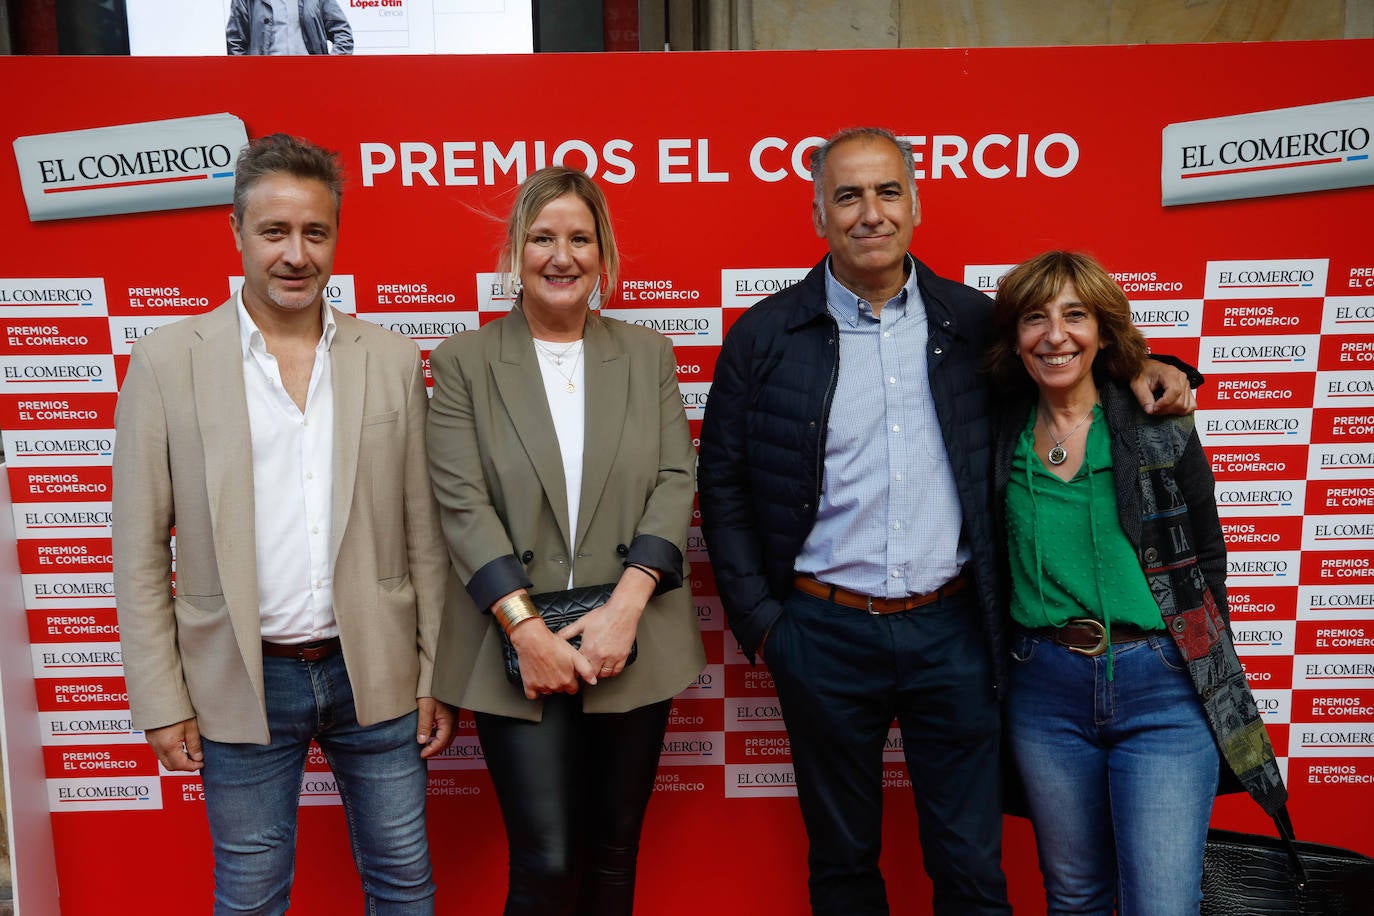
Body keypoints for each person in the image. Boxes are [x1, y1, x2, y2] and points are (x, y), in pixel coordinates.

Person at [696, 126, 1196, 916]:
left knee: (969, 867)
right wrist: (765, 626)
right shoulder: (764, 336)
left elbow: (1066, 365)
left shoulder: (972, 324)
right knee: (844, 862)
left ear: (916, 204)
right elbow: (719, 485)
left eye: (888, 191)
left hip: (953, 632)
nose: (870, 212)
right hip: (821, 634)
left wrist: (1154, 367)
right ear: (818, 210)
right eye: (849, 194)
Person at [113, 133, 451, 914]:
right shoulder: (168, 361)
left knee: (406, 888)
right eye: (274, 232)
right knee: (252, 895)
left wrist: (433, 673)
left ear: (335, 236)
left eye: (315, 232)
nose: (296, 254)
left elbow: (425, 537)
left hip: (375, 670)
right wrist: (161, 698)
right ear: (235, 232)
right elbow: (136, 548)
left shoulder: (391, 360)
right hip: (239, 677)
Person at [426, 165, 705, 916]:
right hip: (511, 644)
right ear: (515, 251)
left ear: (603, 256)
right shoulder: (464, 363)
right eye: (543, 238)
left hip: (631, 638)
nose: (561, 256)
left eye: (580, 239)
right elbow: (461, 504)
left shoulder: (646, 356)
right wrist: (528, 634)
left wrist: (625, 609)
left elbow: (676, 480)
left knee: (615, 856)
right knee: (546, 860)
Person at [986, 251, 1287, 915]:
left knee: (1163, 903)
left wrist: (1207, 661)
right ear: (1015, 336)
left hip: (1163, 687)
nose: (1055, 334)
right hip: (1044, 689)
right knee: (1074, 896)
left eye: (1074, 315)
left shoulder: (1157, 421)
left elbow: (1207, 552)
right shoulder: (993, 427)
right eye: (1035, 318)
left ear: (1103, 330)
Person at [227, 0, 354, 55]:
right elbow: (236, 42)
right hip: (265, 80)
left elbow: (342, 33)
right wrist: (246, 76)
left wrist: (330, 69)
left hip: (310, 79)